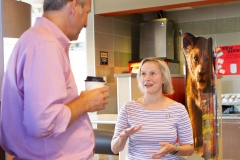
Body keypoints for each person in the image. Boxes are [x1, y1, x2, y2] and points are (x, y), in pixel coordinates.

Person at [0, 0, 109, 159]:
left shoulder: (39, 40)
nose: (86, 23)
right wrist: (85, 102)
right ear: (74, 6)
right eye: (87, 12)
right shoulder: (45, 44)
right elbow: (43, 122)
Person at [111, 57, 194, 159]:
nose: (147, 78)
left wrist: (173, 149)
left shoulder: (178, 109)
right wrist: (122, 137)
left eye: (152, 73)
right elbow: (115, 149)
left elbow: (189, 149)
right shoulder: (128, 108)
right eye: (143, 74)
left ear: (164, 78)